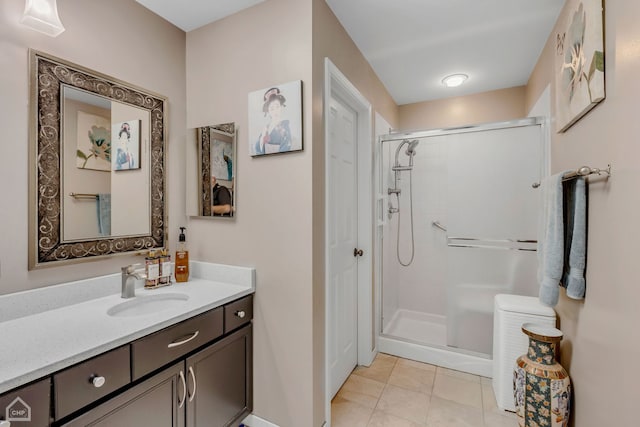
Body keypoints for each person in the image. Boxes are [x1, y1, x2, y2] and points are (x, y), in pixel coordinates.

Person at [254, 87, 292, 154]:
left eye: (277, 106)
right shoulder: (266, 128)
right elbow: (257, 147)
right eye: (272, 108)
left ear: (281, 107)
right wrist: (262, 138)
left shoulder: (285, 125)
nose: (275, 111)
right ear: (268, 112)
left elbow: (286, 146)